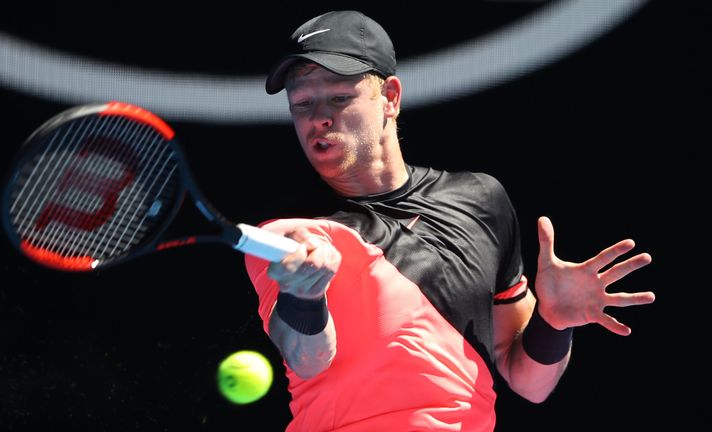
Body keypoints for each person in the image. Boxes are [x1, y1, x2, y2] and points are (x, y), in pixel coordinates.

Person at [243, 10, 655, 432]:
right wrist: (303, 297)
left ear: (390, 97)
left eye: (338, 97)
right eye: (303, 104)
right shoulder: (292, 234)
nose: (319, 118)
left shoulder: (481, 201)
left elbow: (530, 382)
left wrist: (554, 322)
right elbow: (307, 359)